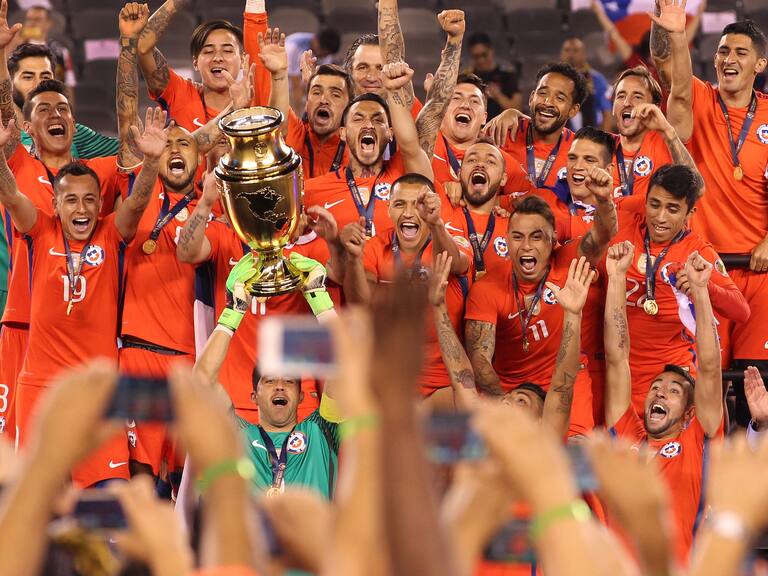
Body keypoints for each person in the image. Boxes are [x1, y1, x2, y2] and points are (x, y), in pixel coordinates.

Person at [0, 106, 167, 487]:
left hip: (98, 390)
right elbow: (10, 195)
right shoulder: (40, 232)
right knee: (34, 495)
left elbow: (137, 204)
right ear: (56, 206)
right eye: (71, 200)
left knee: (108, 499)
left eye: (90, 199)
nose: (82, 208)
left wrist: (152, 162)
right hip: (41, 388)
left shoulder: (111, 234)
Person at [652, 3, 768, 427]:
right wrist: (674, 31)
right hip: (700, 272)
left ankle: (756, 478)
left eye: (739, 52)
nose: (727, 59)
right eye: (721, 51)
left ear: (760, 62)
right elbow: (675, 81)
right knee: (705, 381)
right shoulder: (701, 97)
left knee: (759, 384)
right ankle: (704, 475)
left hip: (758, 274)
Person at [604, 240, 725, 564]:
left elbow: (711, 369)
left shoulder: (695, 440)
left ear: (689, 415)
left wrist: (700, 292)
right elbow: (617, 360)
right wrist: (616, 279)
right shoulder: (628, 432)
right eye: (657, 387)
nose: (659, 391)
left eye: (673, 391)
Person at [464, 182, 617, 437]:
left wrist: (603, 199)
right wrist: (507, 406)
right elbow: (480, 360)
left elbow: (604, 232)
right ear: (507, 240)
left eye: (537, 236)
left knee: (577, 454)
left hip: (567, 378)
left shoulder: (570, 261)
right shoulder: (487, 287)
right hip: (509, 387)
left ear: (553, 239)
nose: (526, 246)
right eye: (517, 237)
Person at [194, 251, 342, 499]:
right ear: (253, 396)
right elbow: (200, 381)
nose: (280, 386)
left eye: (288, 381)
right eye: (270, 380)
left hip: (313, 537)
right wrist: (234, 311)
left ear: (302, 396)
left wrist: (319, 298)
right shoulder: (236, 434)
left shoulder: (323, 430)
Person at [609, 164, 749, 413]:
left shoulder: (698, 252)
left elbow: (741, 310)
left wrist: (703, 289)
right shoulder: (624, 228)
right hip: (619, 369)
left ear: (689, 213)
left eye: (672, 209)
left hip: (671, 375)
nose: (660, 217)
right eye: (654, 205)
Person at [337, 173, 470, 408]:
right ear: (388, 210)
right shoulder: (375, 247)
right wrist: (354, 260)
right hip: (388, 377)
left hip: (442, 381)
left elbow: (453, 261)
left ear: (432, 206)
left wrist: (436, 223)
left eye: (418, 204)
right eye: (400, 204)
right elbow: (360, 303)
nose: (408, 213)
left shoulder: (452, 239)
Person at [303, 61, 434, 240]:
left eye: (378, 120)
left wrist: (394, 90)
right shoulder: (311, 191)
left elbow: (410, 145)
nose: (368, 125)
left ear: (390, 134)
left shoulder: (406, 176)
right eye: (358, 119)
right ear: (343, 132)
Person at [137, 0, 267, 132]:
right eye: (208, 51)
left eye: (227, 51)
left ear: (242, 60)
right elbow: (142, 45)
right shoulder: (180, 93)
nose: (218, 58)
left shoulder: (257, 105)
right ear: (195, 63)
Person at [261, 28, 352, 179]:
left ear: (349, 107)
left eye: (335, 94)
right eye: (316, 92)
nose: (323, 99)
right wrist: (279, 76)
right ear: (307, 102)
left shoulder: (355, 146)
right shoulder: (298, 132)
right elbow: (277, 124)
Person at [487, 62, 587, 197]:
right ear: (531, 98)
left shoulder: (580, 153)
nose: (547, 102)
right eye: (543, 93)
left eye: (559, 98)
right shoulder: (502, 132)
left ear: (573, 110)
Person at [8, 43, 119, 159]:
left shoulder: (74, 133)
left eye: (45, 77)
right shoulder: (4, 137)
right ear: (9, 83)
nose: (38, 84)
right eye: (28, 77)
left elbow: (132, 152)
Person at [15, 4, 75, 93]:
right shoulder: (15, 47)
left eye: (37, 20)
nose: (32, 23)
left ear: (48, 24)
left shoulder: (60, 51)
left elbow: (69, 84)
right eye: (29, 19)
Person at [464, 32, 522, 120]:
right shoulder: (468, 77)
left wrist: (498, 95)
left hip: (502, 129)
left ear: (491, 50)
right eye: (476, 57)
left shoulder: (507, 75)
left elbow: (517, 109)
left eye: (484, 55)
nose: (481, 60)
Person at [560, 37, 612, 131]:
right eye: (567, 50)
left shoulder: (596, 79)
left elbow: (607, 112)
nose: (570, 54)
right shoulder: (554, 79)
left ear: (584, 54)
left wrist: (604, 141)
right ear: (561, 54)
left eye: (575, 50)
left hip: (589, 135)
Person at [284, 27, 340, 114]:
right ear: (315, 40)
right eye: (322, 53)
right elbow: (295, 84)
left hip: (301, 86)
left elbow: (320, 79)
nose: (323, 56)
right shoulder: (293, 47)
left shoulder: (325, 53)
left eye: (326, 54)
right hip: (283, 85)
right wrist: (298, 114)